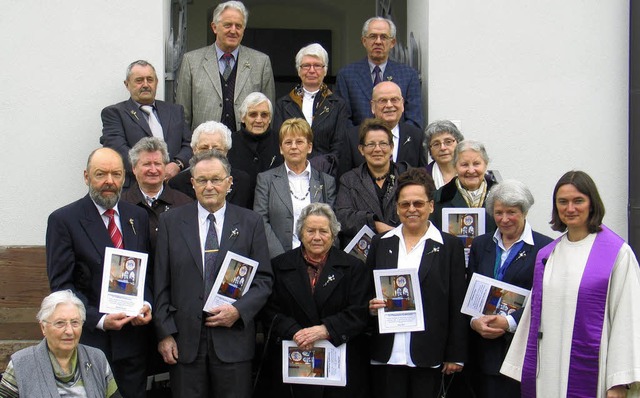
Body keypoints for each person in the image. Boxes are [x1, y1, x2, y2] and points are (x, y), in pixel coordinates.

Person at [501, 171, 640, 398]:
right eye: (562, 202)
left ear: (592, 204)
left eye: (578, 201)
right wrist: (522, 365)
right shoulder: (549, 254)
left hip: (595, 371)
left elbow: (628, 318)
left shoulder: (617, 254)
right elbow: (534, 316)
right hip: (548, 368)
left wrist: (619, 381)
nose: (570, 208)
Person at [154, 149, 273, 398]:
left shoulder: (250, 222)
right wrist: (165, 334)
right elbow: (161, 283)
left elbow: (263, 280)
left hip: (233, 341)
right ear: (192, 183)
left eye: (216, 180)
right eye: (202, 180)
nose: (209, 186)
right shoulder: (171, 222)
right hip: (184, 342)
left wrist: (238, 310)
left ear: (229, 183)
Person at [46, 147, 152, 398]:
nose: (109, 181)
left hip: (133, 342)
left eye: (116, 174)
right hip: (91, 341)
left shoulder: (137, 216)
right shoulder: (64, 220)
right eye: (101, 174)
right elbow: (62, 287)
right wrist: (100, 320)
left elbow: (146, 272)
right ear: (86, 176)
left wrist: (146, 304)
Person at [368, 168, 467, 397]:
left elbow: (457, 302)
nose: (411, 209)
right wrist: (371, 306)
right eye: (404, 204)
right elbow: (366, 290)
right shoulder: (381, 243)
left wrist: (455, 353)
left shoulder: (449, 246)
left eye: (418, 203)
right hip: (387, 351)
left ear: (431, 206)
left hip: (429, 351)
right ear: (397, 207)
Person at [262, 203, 370, 397]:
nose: (317, 237)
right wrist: (296, 332)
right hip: (294, 359)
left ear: (333, 234)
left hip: (338, 362)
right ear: (300, 233)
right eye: (310, 230)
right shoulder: (279, 266)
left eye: (323, 231)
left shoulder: (353, 267)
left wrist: (326, 329)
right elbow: (269, 310)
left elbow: (359, 312)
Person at [466, 180, 552, 398]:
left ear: (524, 211)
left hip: (522, 349)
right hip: (482, 351)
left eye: (511, 212)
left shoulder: (545, 248)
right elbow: (469, 289)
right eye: (498, 212)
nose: (504, 219)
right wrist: (474, 321)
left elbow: (546, 298)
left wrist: (510, 322)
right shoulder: (480, 245)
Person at [176, 0, 275, 132]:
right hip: (206, 146)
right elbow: (183, 116)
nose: (233, 30)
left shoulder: (261, 62)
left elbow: (269, 114)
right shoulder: (191, 61)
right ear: (214, 27)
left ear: (243, 29)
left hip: (247, 148)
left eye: (238, 26)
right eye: (228, 25)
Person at [0, 290, 121, 397]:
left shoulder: (97, 359)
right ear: (43, 327)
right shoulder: (21, 364)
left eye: (75, 322)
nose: (69, 331)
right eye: (60, 323)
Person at [101, 60, 192, 187]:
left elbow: (189, 144)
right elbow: (117, 149)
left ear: (156, 82)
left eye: (150, 79)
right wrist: (151, 169)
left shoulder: (175, 111)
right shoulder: (115, 113)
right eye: (139, 80)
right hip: (135, 188)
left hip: (174, 186)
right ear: (127, 84)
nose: (145, 84)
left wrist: (177, 164)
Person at [254, 118, 336, 259]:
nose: (293, 147)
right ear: (281, 148)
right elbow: (261, 221)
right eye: (288, 142)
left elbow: (332, 223)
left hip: (318, 258)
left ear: (309, 147)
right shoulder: (266, 180)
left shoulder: (326, 181)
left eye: (299, 142)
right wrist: (283, 259)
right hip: (279, 260)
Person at [272, 43, 350, 176]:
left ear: (325, 70)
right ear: (298, 70)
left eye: (317, 66)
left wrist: (324, 165)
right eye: (306, 66)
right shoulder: (283, 104)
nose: (312, 70)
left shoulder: (338, 105)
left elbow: (339, 146)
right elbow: (278, 142)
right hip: (290, 173)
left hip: (326, 175)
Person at [335, 17, 423, 129]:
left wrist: (395, 142)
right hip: (359, 144)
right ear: (364, 41)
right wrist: (366, 142)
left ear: (392, 42)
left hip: (398, 144)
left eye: (384, 37)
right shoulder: (347, 75)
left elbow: (414, 120)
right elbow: (343, 121)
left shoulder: (408, 75)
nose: (378, 41)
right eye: (373, 36)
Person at [335, 119, 409, 245]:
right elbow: (342, 216)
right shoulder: (349, 180)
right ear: (361, 149)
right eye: (371, 144)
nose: (377, 149)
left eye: (383, 144)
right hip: (364, 255)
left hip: (404, 247)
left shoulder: (407, 175)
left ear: (391, 148)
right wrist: (374, 224)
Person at [338, 81, 426, 177]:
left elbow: (422, 179)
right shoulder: (352, 137)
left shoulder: (416, 136)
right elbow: (343, 179)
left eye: (394, 100)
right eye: (383, 100)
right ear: (373, 106)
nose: (389, 105)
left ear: (402, 104)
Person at [121, 137, 192, 252]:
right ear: (134, 168)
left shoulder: (185, 204)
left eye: (158, 164)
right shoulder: (121, 205)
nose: (153, 170)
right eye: (147, 164)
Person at [169, 120, 252, 208]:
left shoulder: (242, 182)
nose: (210, 153)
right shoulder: (177, 184)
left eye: (217, 149)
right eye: (204, 148)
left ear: (226, 151)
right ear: (194, 150)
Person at [431, 140, 497, 234]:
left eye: (476, 164)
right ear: (455, 166)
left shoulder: (499, 198)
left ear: (485, 165)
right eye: (464, 164)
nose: (471, 170)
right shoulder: (439, 198)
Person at [227, 92, 283, 200]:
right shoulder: (229, 143)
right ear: (243, 118)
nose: (259, 120)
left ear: (270, 118)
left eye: (264, 115)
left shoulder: (281, 141)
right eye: (253, 114)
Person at [423, 120, 464, 189]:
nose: (443, 148)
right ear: (429, 149)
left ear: (458, 143)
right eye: (436, 144)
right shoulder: (422, 177)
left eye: (448, 142)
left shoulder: (470, 171)